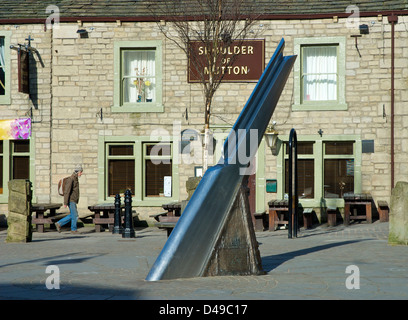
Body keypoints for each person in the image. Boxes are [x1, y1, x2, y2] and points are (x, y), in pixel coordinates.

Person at [55, 165, 83, 234]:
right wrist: (65, 202)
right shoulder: (71, 179)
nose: (81, 173)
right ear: (77, 172)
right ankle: (73, 229)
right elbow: (67, 191)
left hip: (73, 200)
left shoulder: (75, 179)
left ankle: (60, 224)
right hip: (71, 200)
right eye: (81, 172)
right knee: (75, 215)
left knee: (74, 215)